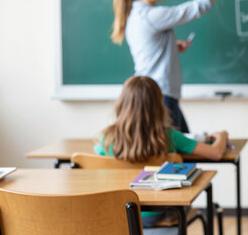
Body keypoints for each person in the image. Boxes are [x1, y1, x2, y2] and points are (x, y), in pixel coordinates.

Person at [110, 0, 238, 133]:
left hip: (151, 94)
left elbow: (149, 46)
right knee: (177, 156)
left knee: (181, 153)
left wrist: (171, 45)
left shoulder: (135, 16)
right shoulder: (152, 15)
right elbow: (197, 7)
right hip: (161, 96)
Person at [95, 75, 229, 230]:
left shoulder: (105, 139)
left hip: (118, 211)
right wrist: (222, 135)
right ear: (159, 105)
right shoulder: (169, 136)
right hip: (159, 212)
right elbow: (216, 153)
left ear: (122, 103)